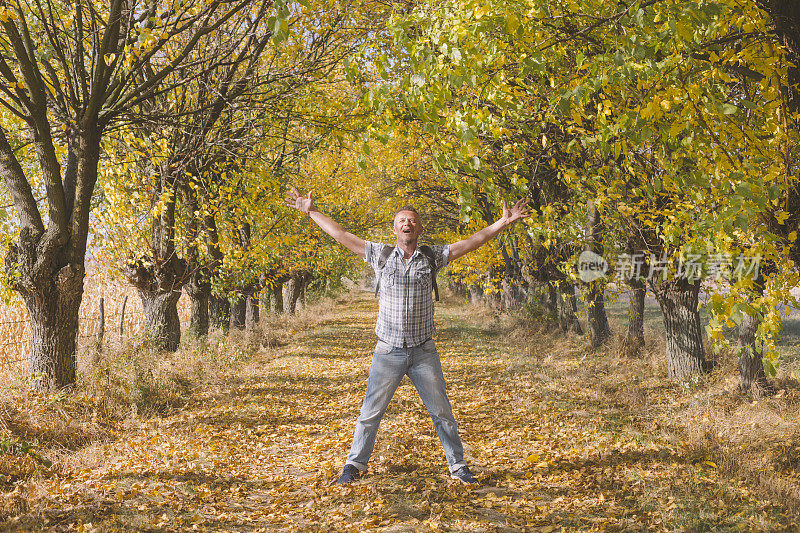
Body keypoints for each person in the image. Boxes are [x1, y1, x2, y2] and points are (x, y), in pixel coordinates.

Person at [285, 187, 531, 484]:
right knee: (370, 413)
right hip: (388, 351)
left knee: (442, 413)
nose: (407, 224)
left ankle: (458, 467)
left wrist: (502, 223)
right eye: (402, 220)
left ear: (419, 228)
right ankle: (354, 466)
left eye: (412, 221)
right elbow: (340, 234)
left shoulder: (432, 256)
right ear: (394, 228)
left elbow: (471, 243)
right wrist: (312, 212)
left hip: (423, 352)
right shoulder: (380, 254)